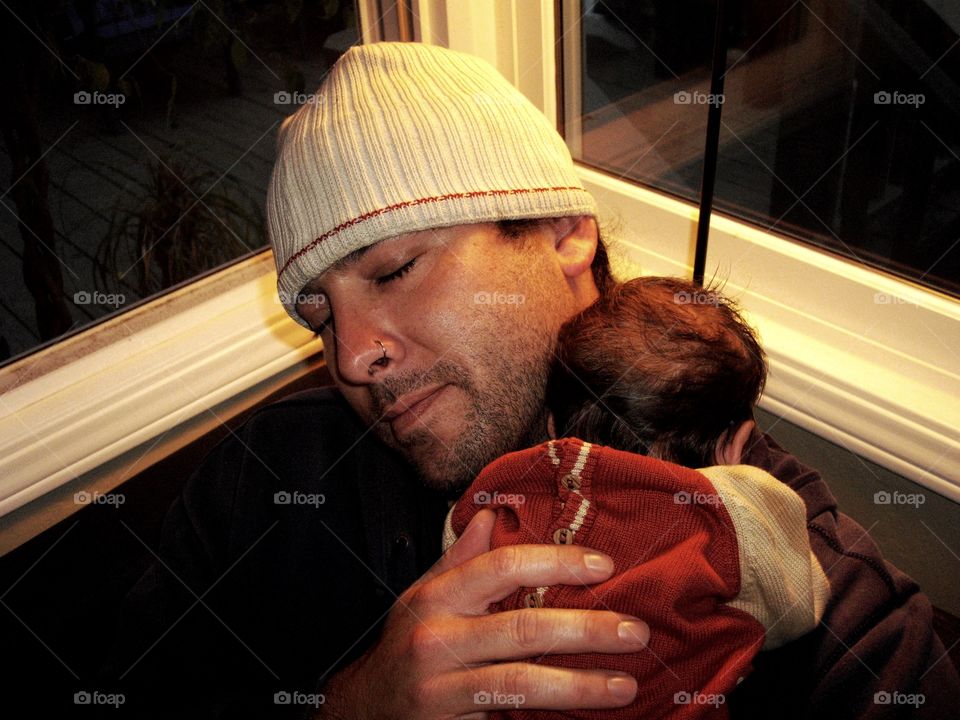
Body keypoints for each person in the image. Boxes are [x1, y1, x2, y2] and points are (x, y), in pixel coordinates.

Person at [101, 41, 960, 718]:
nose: (354, 355)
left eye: (395, 269)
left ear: (560, 232)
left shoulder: (752, 527)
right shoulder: (266, 477)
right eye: (321, 315)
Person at [443, 276, 831, 718]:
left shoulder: (512, 482)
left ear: (551, 426)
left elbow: (457, 546)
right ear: (737, 445)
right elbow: (800, 606)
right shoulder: (734, 505)